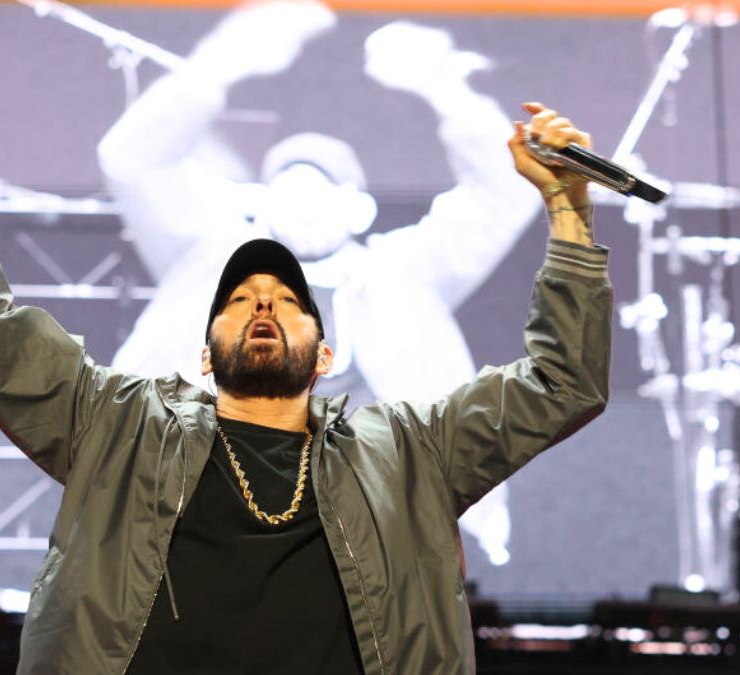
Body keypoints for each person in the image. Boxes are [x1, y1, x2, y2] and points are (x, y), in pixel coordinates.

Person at [0, 3, 610, 673]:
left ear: (325, 355)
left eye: (287, 300)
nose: (261, 303)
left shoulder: (411, 442)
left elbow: (559, 381)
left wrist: (568, 209)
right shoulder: (120, 429)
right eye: (241, 296)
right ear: (202, 346)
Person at [97, 1, 541, 570]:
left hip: (371, 524)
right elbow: (132, 159)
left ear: (359, 209)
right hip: (210, 517)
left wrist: (443, 87)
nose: (300, 200)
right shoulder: (211, 262)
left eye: (320, 187)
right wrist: (224, 60)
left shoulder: (402, 274)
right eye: (285, 185)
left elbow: (503, 193)